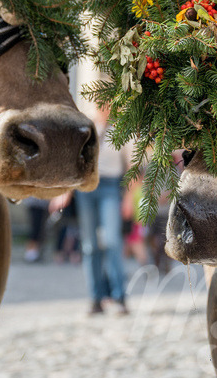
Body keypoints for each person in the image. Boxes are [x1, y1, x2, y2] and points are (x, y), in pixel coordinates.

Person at [74, 106, 132, 315]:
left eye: (108, 104)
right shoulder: (86, 130)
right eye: (101, 104)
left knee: (112, 242)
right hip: (86, 188)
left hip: (111, 187)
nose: (105, 108)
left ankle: (119, 297)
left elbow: (131, 166)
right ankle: (96, 298)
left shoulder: (122, 130)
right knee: (89, 245)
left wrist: (128, 198)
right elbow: (75, 162)